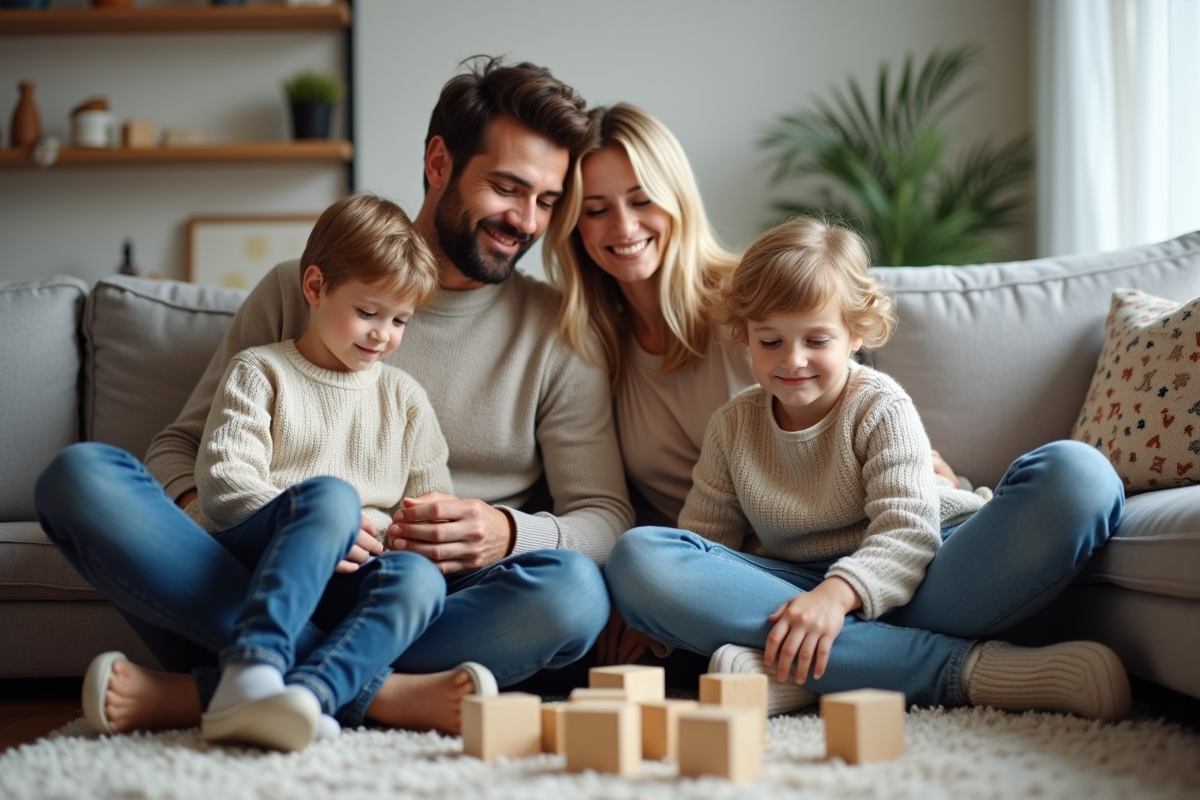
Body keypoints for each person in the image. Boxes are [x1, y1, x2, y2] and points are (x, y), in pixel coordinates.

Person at [34, 57, 628, 737]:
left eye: (547, 201)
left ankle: (219, 689)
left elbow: (606, 518)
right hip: (257, 572)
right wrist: (257, 527)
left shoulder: (559, 331)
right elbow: (179, 449)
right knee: (81, 479)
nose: (526, 220)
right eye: (507, 188)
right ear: (440, 162)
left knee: (573, 595)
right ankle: (378, 693)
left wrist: (507, 533)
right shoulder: (299, 287)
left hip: (406, 594)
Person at [603, 216, 1131, 721]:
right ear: (745, 336)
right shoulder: (732, 426)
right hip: (799, 587)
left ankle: (810, 668)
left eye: (816, 340)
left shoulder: (880, 404)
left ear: (855, 334)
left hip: (930, 564)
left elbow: (908, 533)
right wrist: (655, 618)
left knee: (1080, 474)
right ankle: (961, 670)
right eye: (770, 341)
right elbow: (705, 545)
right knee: (638, 557)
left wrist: (836, 598)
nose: (792, 360)